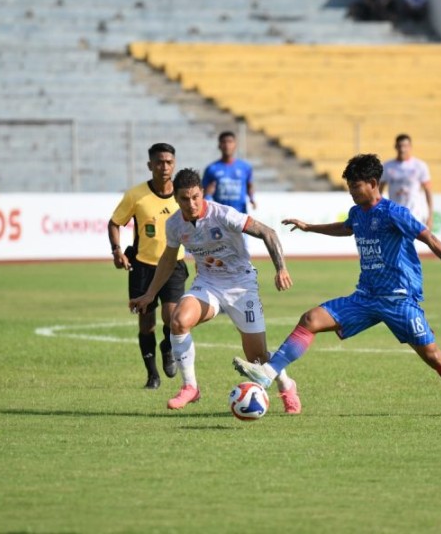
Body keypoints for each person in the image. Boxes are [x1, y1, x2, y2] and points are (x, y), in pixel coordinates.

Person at [232, 153, 441, 418]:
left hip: (399, 300)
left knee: (433, 357)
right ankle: (267, 374)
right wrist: (309, 227)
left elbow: (429, 238)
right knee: (310, 318)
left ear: (373, 183)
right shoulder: (357, 213)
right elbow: (347, 228)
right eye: (349, 186)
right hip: (365, 297)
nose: (351, 191)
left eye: (355, 186)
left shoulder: (394, 213)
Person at [129, 168, 302, 414]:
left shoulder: (224, 214)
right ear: (176, 199)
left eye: (195, 197)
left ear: (202, 194)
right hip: (208, 284)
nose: (191, 203)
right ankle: (190, 387)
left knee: (257, 358)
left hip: (242, 287)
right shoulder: (175, 224)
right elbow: (168, 260)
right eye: (185, 199)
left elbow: (268, 233)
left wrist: (281, 269)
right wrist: (149, 294)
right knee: (178, 321)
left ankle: (286, 385)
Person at [108, 143, 189, 390]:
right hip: (142, 267)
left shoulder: (182, 195)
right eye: (159, 162)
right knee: (146, 324)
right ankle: (152, 376)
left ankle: (167, 346)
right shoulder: (136, 195)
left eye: (169, 162)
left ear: (174, 164)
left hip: (174, 265)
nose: (164, 167)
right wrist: (117, 251)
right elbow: (114, 223)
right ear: (150, 165)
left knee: (172, 317)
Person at [379, 133, 434, 231]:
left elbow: (428, 191)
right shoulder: (387, 166)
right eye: (400, 146)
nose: (402, 149)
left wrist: (430, 215)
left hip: (414, 213)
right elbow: (379, 190)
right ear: (395, 146)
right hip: (394, 212)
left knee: (409, 241)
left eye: (405, 146)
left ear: (410, 147)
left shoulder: (420, 166)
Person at [202, 131, 256, 215]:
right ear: (219, 146)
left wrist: (252, 199)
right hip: (220, 215)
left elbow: (249, 185)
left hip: (240, 214)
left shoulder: (245, 167)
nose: (227, 145)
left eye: (230, 142)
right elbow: (204, 191)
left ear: (235, 145)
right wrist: (207, 196)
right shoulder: (211, 169)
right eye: (224, 142)